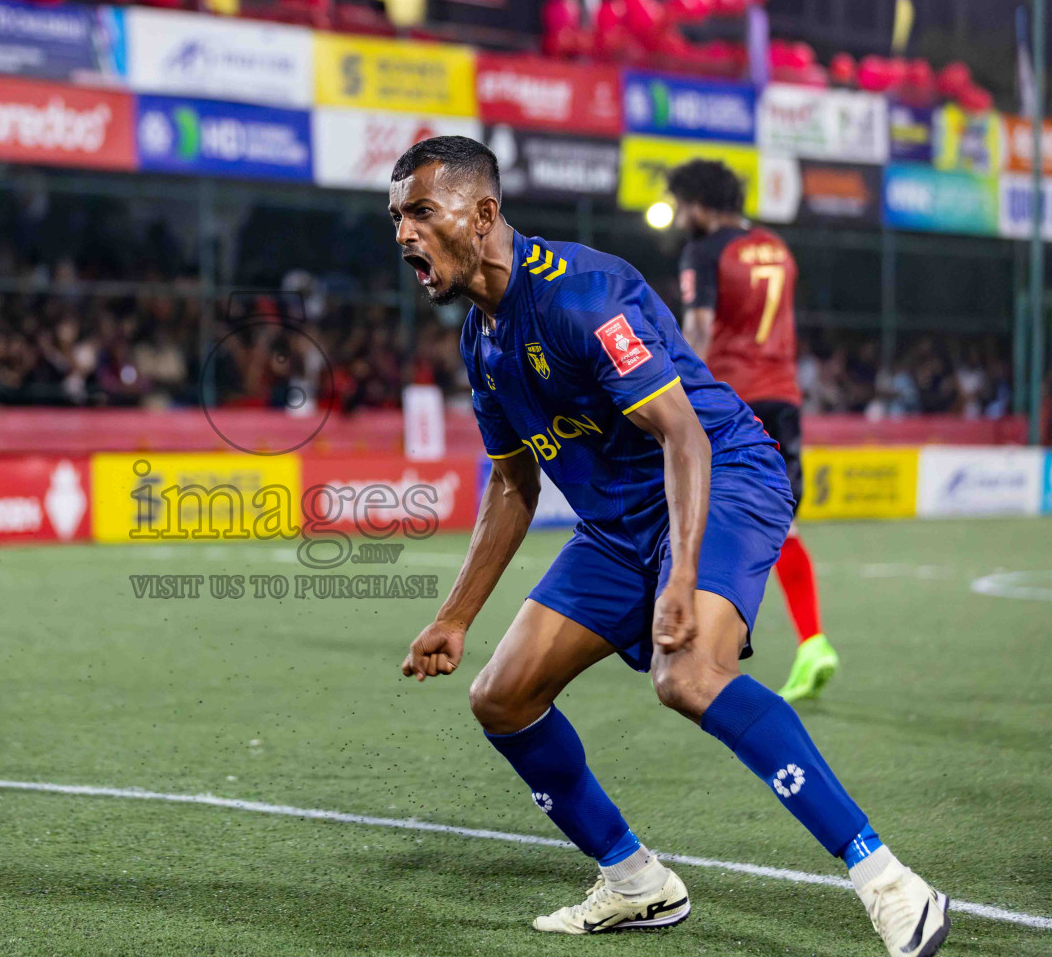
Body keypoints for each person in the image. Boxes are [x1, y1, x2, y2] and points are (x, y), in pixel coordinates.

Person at [390, 136, 947, 956]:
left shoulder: (583, 294)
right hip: (617, 526)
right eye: (396, 216)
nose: (403, 233)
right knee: (500, 696)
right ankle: (635, 882)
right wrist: (454, 616)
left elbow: (683, 436)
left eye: (420, 213)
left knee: (688, 674)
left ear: (481, 217)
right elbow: (514, 486)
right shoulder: (483, 342)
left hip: (723, 477)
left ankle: (890, 881)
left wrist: (680, 577)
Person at [668, 159, 839, 703]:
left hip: (732, 399)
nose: (677, 217)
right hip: (783, 395)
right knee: (779, 521)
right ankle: (812, 641)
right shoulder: (777, 248)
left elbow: (698, 327)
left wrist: (671, 388)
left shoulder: (704, 250)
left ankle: (707, 639)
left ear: (698, 202)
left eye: (679, 205)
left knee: (700, 509)